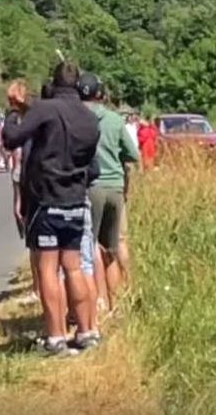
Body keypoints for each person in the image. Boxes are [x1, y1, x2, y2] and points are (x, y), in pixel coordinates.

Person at [3, 61, 100, 355]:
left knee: (48, 268)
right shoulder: (89, 117)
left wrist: (12, 112)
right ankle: (86, 332)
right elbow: (92, 167)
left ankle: (56, 337)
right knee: (73, 267)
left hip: (47, 200)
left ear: (54, 83)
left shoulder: (46, 109)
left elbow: (11, 140)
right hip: (75, 200)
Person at [78, 72, 139, 313]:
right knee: (113, 247)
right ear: (100, 94)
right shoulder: (114, 120)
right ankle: (117, 303)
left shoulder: (78, 119)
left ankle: (99, 300)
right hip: (115, 186)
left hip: (91, 187)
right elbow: (133, 154)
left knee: (91, 245)